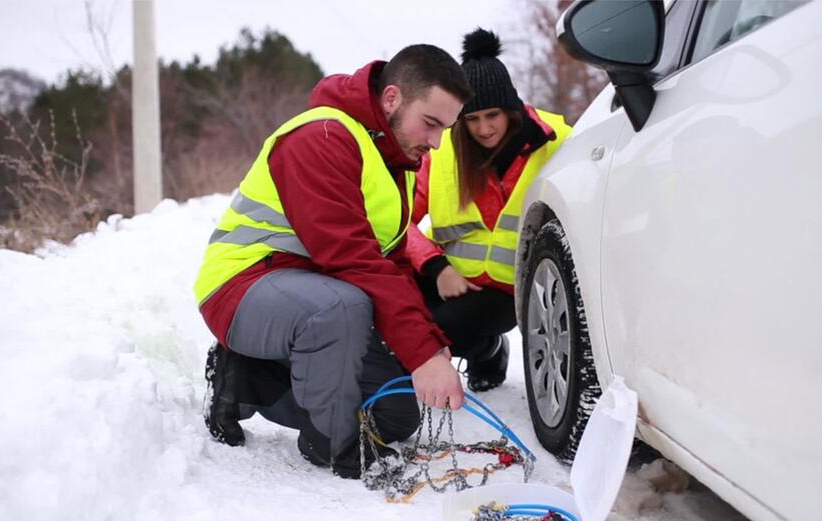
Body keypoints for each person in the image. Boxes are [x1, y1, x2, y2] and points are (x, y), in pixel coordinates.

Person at [193, 44, 474, 479]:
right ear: (392, 98)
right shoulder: (321, 137)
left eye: (445, 130)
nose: (436, 143)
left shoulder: (389, 160)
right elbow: (351, 259)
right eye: (431, 124)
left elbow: (393, 266)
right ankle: (332, 443)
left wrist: (427, 345)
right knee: (340, 308)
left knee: (398, 417)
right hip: (245, 285)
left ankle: (247, 378)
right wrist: (423, 356)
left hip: (315, 295)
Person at [406, 29, 572, 392]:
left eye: (492, 115)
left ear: (511, 108)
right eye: (472, 118)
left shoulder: (558, 143)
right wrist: (436, 267)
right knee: (400, 316)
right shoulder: (442, 150)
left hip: (510, 290)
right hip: (448, 277)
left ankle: (488, 351)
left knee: (442, 332)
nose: (483, 129)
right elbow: (401, 222)